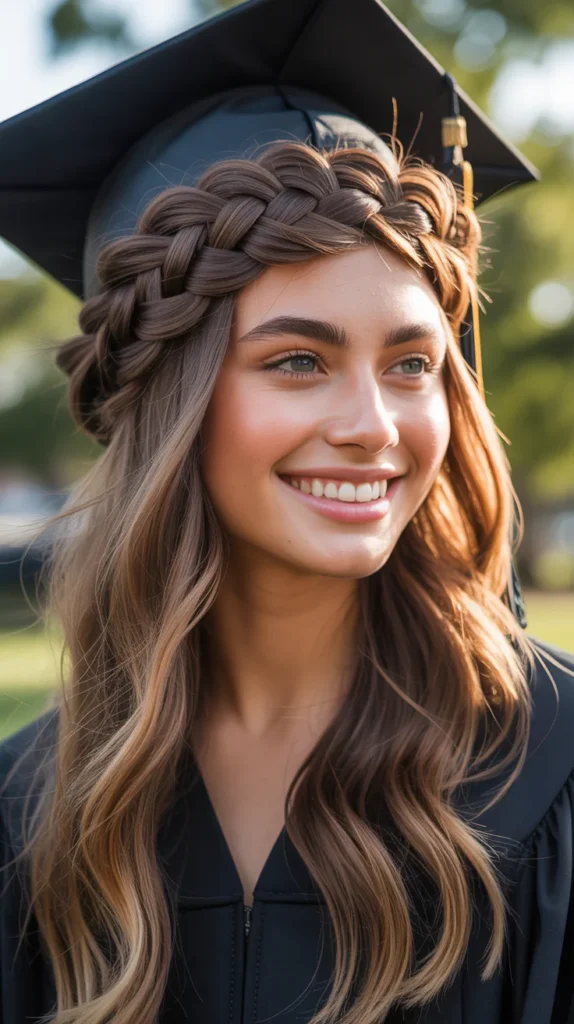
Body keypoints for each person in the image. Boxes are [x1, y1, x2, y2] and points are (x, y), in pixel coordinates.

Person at [0, 1, 573, 1022]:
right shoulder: (34, 808)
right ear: (163, 406)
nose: (372, 423)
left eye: (411, 364)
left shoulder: (551, 771)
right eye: (298, 361)